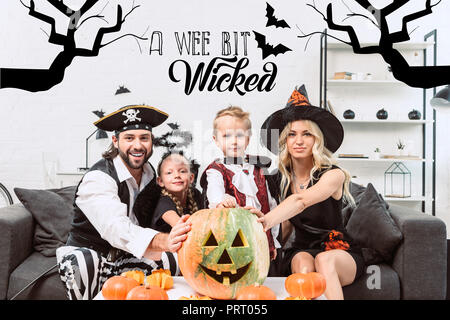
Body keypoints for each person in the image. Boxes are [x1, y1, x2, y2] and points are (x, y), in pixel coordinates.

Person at [56, 105, 192, 300]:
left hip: (126, 256)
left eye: (144, 138)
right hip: (94, 256)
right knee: (82, 262)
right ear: (115, 141)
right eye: (129, 138)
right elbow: (116, 228)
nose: (138, 146)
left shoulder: (150, 173)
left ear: (151, 142)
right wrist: (164, 240)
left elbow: (162, 205)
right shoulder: (98, 178)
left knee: (171, 258)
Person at [249, 85, 365, 300]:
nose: (299, 141)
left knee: (324, 261)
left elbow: (300, 201)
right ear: (284, 140)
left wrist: (265, 221)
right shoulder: (277, 179)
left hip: (339, 252)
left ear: (317, 140)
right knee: (303, 265)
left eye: (307, 134)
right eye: (292, 134)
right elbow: (286, 223)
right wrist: (265, 253)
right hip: (302, 249)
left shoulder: (333, 175)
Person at [199, 106, 281, 274]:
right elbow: (214, 192)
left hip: (261, 237)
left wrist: (273, 242)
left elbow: (270, 204)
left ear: (248, 139)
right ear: (216, 140)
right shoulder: (216, 170)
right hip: (233, 240)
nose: (234, 141)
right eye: (227, 136)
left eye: (239, 135)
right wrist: (222, 200)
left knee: (264, 278)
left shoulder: (259, 168)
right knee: (238, 277)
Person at [149, 151, 203, 233]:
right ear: (160, 181)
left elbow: (207, 217)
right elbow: (180, 226)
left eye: (182, 171)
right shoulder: (163, 202)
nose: (177, 175)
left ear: (191, 178)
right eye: (169, 172)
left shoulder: (195, 194)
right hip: (168, 244)